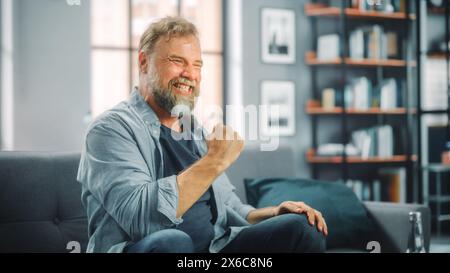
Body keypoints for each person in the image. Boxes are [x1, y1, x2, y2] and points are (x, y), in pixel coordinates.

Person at [77, 16, 327, 253]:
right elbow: (141, 219)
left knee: (302, 228)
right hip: (153, 247)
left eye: (197, 65)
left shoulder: (194, 131)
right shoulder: (110, 130)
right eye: (178, 61)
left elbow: (230, 206)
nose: (191, 74)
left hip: (216, 246)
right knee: (173, 242)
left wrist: (273, 212)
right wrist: (214, 161)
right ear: (143, 62)